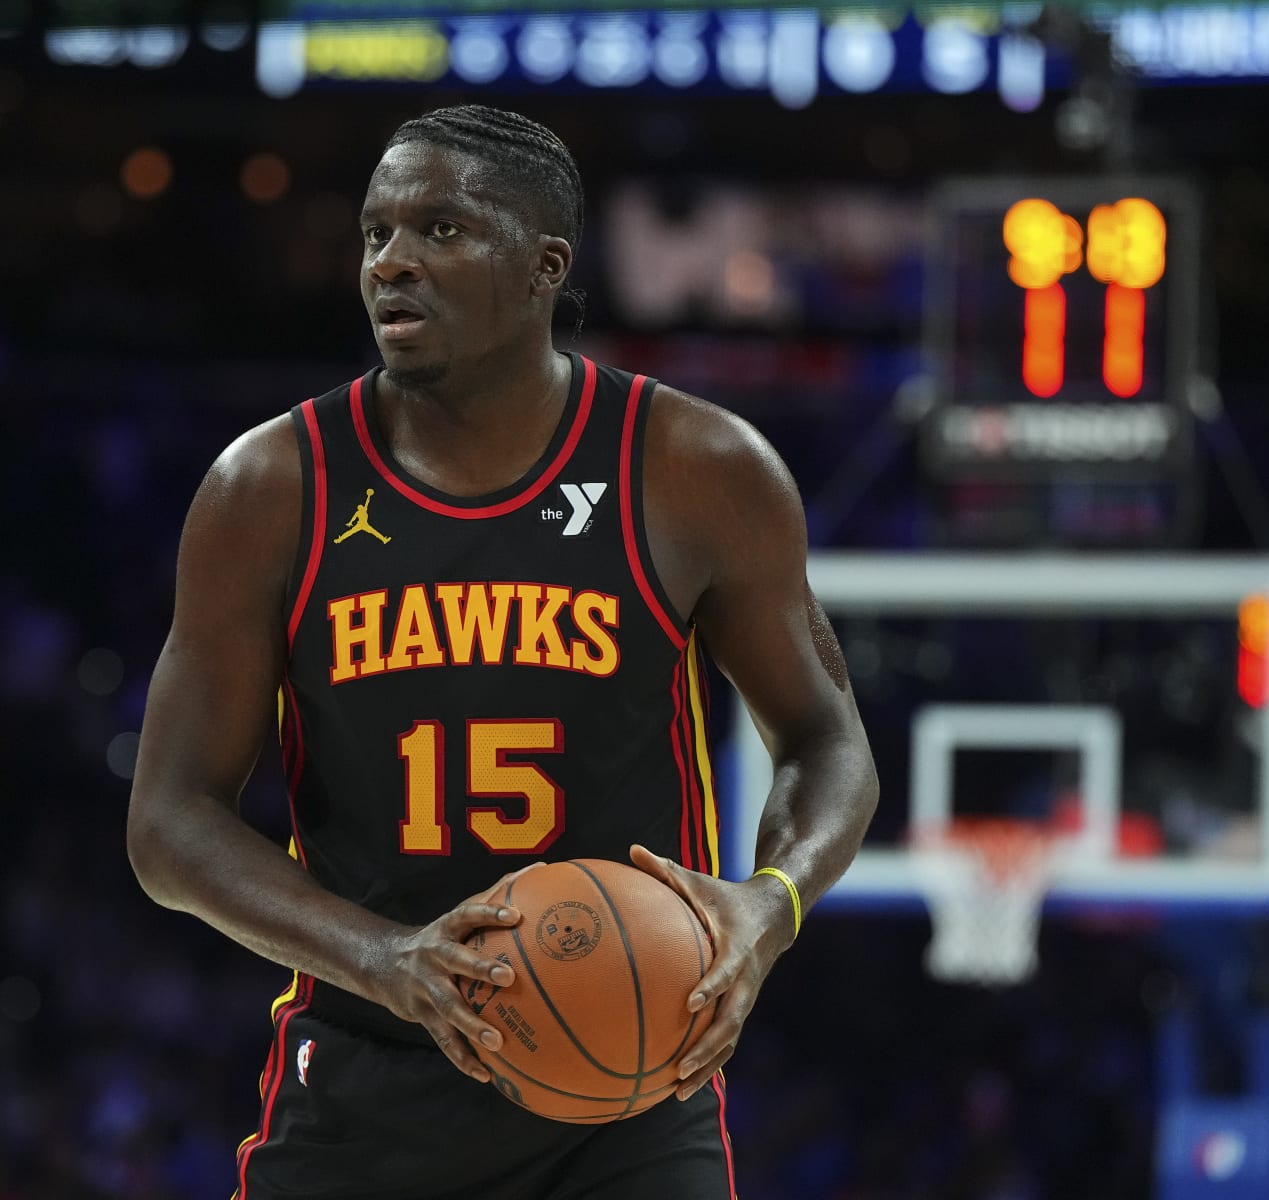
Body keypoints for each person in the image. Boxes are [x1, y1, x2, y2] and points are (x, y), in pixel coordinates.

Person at [126, 105, 880, 1199]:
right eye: (376, 234)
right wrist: (386, 961)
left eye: (439, 230)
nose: (392, 264)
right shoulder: (270, 488)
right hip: (366, 1089)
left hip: (630, 1104)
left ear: (544, 267)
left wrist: (774, 900)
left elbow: (827, 740)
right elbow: (166, 824)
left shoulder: (694, 468)